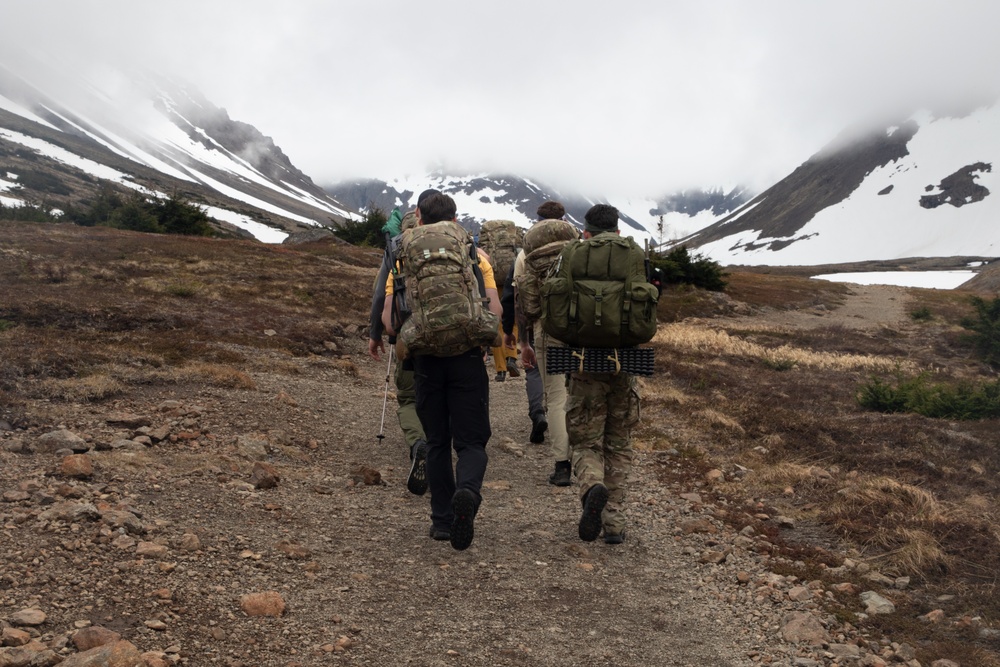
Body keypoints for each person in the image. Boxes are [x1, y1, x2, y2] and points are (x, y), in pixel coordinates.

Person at [381, 193, 502, 551]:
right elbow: (493, 308)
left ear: (417, 217)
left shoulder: (403, 255)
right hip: (467, 357)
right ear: (455, 218)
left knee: (436, 442)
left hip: (425, 360)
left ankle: (442, 521)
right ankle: (467, 493)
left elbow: (390, 321)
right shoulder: (473, 254)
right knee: (472, 442)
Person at [566, 204, 641, 545]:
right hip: (626, 360)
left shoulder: (574, 253)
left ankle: (592, 486)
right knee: (619, 441)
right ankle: (614, 523)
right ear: (617, 230)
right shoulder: (635, 254)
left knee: (585, 439)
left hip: (584, 361)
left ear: (586, 231)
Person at [368, 191, 440, 497]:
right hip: (449, 336)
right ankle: (438, 443)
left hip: (408, 337)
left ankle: (418, 443)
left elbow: (379, 298)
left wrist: (376, 334)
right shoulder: (456, 246)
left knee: (409, 397)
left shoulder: (396, 251)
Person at [512, 201, 575, 486]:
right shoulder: (578, 243)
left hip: (547, 330)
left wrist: (523, 342)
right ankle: (591, 461)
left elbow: (522, 299)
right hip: (584, 328)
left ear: (537, 219)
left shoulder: (527, 251)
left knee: (558, 397)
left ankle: (563, 465)